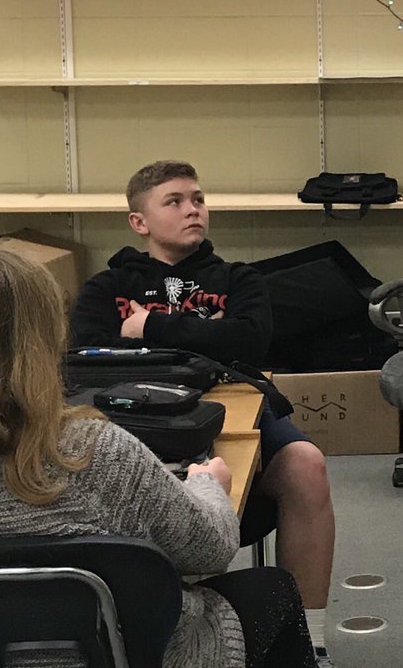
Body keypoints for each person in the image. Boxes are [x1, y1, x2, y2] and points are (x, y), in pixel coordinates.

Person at [0, 244, 316, 668]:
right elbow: (209, 550)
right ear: (44, 340)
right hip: (129, 654)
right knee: (274, 589)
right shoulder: (90, 450)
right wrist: (207, 484)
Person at [71, 160, 337, 668]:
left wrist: (149, 329)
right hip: (134, 414)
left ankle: (313, 643)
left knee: (307, 464)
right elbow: (89, 354)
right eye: (174, 202)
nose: (193, 209)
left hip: (233, 402)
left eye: (198, 199)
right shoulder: (105, 289)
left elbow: (249, 341)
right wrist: (204, 335)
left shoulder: (239, 279)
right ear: (140, 222)